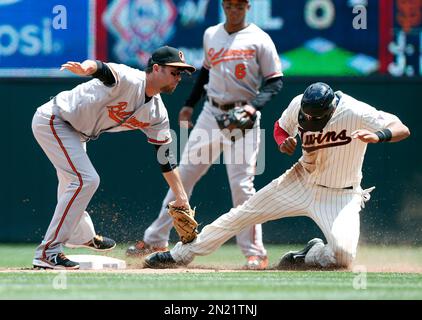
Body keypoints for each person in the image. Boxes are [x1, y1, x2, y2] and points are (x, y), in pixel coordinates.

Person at [143, 82, 410, 270]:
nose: (309, 121)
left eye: (315, 118)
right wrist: (283, 141)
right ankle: (180, 254)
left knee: (343, 256)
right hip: (300, 179)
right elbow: (281, 128)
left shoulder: (355, 111)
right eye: (307, 116)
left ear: (330, 110)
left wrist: (378, 136)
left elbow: (401, 128)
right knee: (243, 214)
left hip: (341, 195)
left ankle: (310, 253)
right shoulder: (299, 104)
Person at [126, 0, 283, 270]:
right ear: (223, 5)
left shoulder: (260, 39)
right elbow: (206, 74)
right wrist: (189, 103)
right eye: (230, 4)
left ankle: (254, 253)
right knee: (184, 175)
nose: (234, 10)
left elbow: (275, 80)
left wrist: (253, 107)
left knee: (242, 186)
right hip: (211, 113)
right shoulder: (211, 34)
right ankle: (156, 239)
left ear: (247, 6)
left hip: (244, 117)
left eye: (239, 5)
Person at [32, 46, 196, 270]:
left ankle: (80, 236)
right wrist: (85, 68)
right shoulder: (130, 78)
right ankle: (47, 252)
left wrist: (181, 197)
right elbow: (101, 69)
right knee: (85, 180)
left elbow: (165, 158)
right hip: (55, 119)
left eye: (181, 74)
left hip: (77, 134)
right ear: (156, 68)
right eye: (174, 72)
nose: (178, 78)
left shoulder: (158, 114)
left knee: (73, 183)